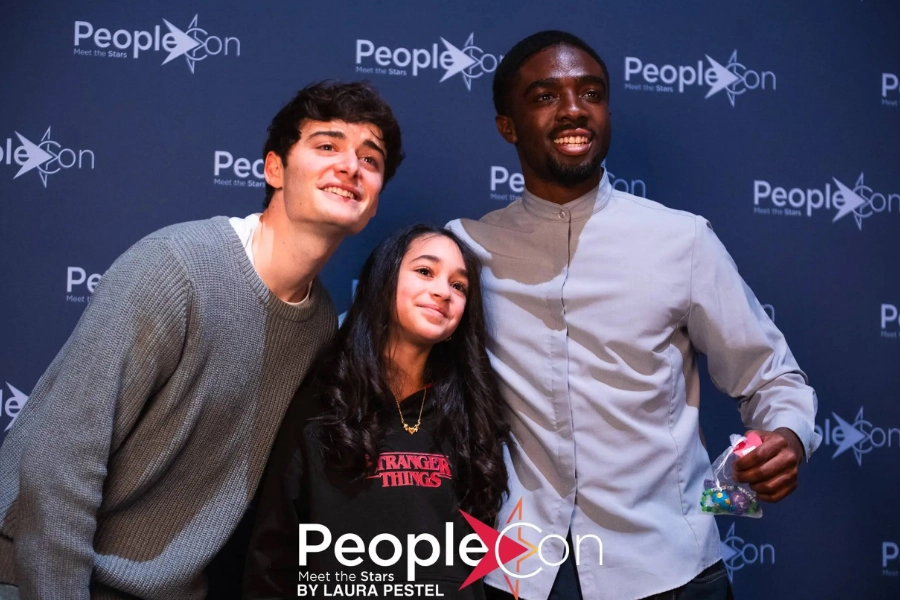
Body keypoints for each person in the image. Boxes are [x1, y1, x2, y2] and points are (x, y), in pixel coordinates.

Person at [446, 31, 821, 600]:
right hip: (516, 570)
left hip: (670, 570)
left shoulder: (682, 240)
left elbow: (772, 377)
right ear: (508, 125)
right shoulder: (463, 251)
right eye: (546, 96)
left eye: (590, 93)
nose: (574, 109)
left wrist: (787, 436)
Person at [0, 81, 403, 600]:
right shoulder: (176, 267)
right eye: (327, 146)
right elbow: (59, 462)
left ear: (372, 204)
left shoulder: (321, 322)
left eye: (370, 159)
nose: (351, 166)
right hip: (38, 577)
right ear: (274, 169)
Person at [243, 224, 510, 600]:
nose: (442, 292)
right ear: (384, 281)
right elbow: (274, 557)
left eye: (459, 286)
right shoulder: (321, 404)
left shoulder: (471, 412)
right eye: (425, 271)